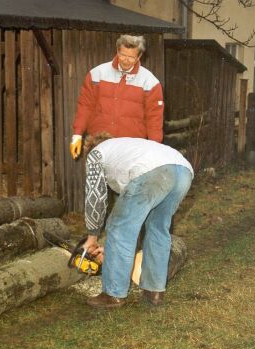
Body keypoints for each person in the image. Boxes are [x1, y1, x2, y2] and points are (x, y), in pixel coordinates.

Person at [81, 133, 193, 308]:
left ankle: (113, 294)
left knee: (119, 228)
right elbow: (134, 211)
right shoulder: (128, 149)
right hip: (183, 170)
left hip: (154, 171)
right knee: (158, 228)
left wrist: (92, 237)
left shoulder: (96, 154)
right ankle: (154, 291)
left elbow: (95, 199)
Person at [69, 35, 164, 160]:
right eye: (123, 55)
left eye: (131, 57)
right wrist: (77, 135)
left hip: (131, 149)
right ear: (117, 51)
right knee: (98, 180)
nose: (126, 60)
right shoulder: (97, 74)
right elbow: (85, 106)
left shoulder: (150, 82)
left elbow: (154, 120)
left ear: (139, 57)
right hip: (98, 145)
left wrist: (154, 148)